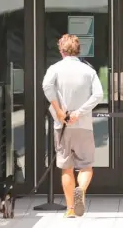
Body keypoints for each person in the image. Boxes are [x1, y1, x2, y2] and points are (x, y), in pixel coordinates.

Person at [42, 34, 103, 218]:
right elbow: (98, 95)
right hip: (83, 125)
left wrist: (59, 111)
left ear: (61, 50)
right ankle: (81, 190)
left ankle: (69, 209)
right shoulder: (88, 71)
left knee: (66, 167)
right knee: (85, 166)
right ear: (78, 50)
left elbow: (46, 86)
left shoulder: (54, 69)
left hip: (62, 126)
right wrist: (80, 112)